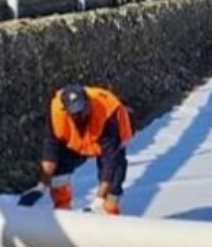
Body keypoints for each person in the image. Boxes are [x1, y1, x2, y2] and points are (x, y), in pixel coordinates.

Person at [24, 84, 134, 214]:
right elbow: (50, 148)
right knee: (59, 167)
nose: (80, 115)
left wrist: (99, 199)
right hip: (77, 141)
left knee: (114, 176)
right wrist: (41, 185)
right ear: (66, 110)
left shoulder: (106, 112)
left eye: (83, 110)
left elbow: (110, 161)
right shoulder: (56, 112)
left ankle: (109, 211)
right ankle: (62, 207)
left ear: (88, 103)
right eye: (75, 113)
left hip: (109, 140)